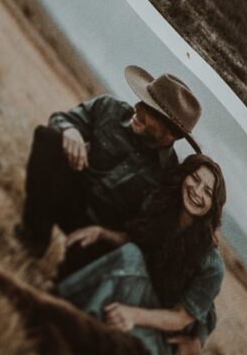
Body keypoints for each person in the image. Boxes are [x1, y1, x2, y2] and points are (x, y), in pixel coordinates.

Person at [0, 154, 227, 355]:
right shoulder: (163, 209)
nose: (197, 191)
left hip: (159, 339)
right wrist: (101, 232)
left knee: (114, 328)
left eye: (208, 191)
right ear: (183, 176)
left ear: (214, 205)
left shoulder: (211, 263)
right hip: (135, 306)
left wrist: (133, 315)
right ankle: (74, 346)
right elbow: (136, 241)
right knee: (130, 257)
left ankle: (47, 309)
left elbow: (181, 317)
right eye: (195, 179)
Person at [17, 65, 199, 259]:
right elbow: (60, 120)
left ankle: (74, 271)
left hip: (101, 236)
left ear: (171, 134)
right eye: (142, 100)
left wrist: (104, 234)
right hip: (69, 196)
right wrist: (70, 130)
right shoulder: (109, 108)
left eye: (151, 110)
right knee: (48, 139)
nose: (138, 107)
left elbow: (142, 235)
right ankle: (33, 239)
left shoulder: (169, 178)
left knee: (79, 272)